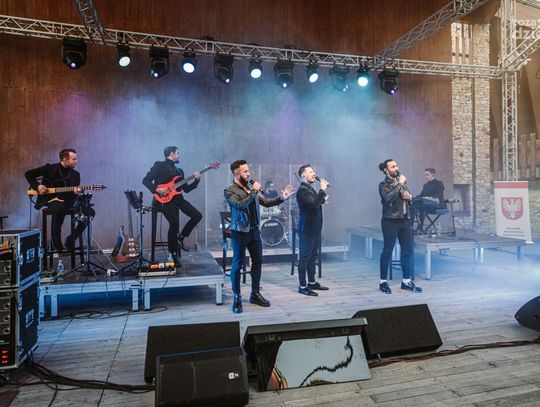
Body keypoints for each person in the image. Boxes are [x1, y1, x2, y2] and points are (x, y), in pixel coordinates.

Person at [224, 160, 294, 314]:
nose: (249, 174)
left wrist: (282, 198)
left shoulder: (251, 188)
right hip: (240, 231)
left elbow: (266, 202)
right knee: (237, 264)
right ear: (236, 173)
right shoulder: (229, 190)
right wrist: (254, 191)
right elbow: (240, 205)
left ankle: (255, 294)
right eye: (245, 171)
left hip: (254, 231)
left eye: (248, 171)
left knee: (258, 261)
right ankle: (237, 297)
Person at [143, 146, 202, 266]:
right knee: (174, 223)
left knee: (197, 215)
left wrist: (196, 180)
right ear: (171, 154)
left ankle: (181, 237)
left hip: (178, 199)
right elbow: (146, 180)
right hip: (164, 200)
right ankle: (172, 254)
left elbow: (186, 189)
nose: (179, 155)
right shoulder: (159, 165)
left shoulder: (180, 171)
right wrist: (157, 189)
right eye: (178, 153)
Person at [25, 148, 91, 252]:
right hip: (51, 199)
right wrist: (38, 186)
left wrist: (77, 192)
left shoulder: (75, 174)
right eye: (73, 159)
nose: (76, 161)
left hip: (68, 201)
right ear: (65, 160)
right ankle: (56, 242)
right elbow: (28, 174)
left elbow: (74, 192)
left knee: (89, 212)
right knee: (60, 207)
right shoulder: (50, 168)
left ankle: (71, 240)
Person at [378, 159, 422, 294]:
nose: (396, 168)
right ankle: (383, 282)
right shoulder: (383, 185)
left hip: (405, 220)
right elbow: (388, 198)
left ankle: (406, 281)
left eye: (396, 165)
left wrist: (410, 197)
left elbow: (408, 199)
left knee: (407, 251)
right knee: (387, 251)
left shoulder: (402, 182)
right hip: (390, 221)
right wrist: (400, 183)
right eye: (393, 166)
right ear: (386, 170)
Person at [296, 164, 330, 296]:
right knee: (305, 257)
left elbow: (316, 202)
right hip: (307, 228)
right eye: (310, 172)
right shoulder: (302, 190)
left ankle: (311, 282)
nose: (314, 174)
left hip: (314, 227)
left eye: (313, 171)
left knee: (312, 257)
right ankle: (302, 286)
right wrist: (322, 190)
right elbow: (313, 204)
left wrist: (323, 200)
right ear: (303, 175)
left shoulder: (309, 189)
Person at [417, 167, 446, 233]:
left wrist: (428, 198)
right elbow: (421, 195)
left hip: (438, 205)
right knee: (413, 206)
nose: (425, 176)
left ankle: (420, 228)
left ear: (433, 175)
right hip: (427, 206)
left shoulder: (439, 184)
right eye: (425, 175)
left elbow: (438, 195)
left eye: (427, 175)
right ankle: (410, 227)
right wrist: (413, 197)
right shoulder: (425, 185)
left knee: (422, 207)